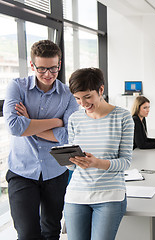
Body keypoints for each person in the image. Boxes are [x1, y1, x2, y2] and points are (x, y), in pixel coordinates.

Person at [3, 40, 79, 239]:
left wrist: (30, 122)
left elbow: (69, 135)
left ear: (59, 65)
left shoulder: (68, 95)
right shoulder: (17, 87)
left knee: (51, 231)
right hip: (22, 171)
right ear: (32, 65)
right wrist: (55, 121)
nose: (48, 74)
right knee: (27, 233)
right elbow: (15, 127)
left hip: (55, 172)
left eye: (53, 69)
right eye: (42, 69)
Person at [64, 68, 134, 239]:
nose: (83, 103)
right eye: (77, 98)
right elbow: (73, 168)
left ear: (101, 90)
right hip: (77, 195)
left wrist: (97, 163)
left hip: (109, 195)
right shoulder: (75, 119)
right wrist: (69, 161)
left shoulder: (122, 117)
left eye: (87, 97)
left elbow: (125, 162)